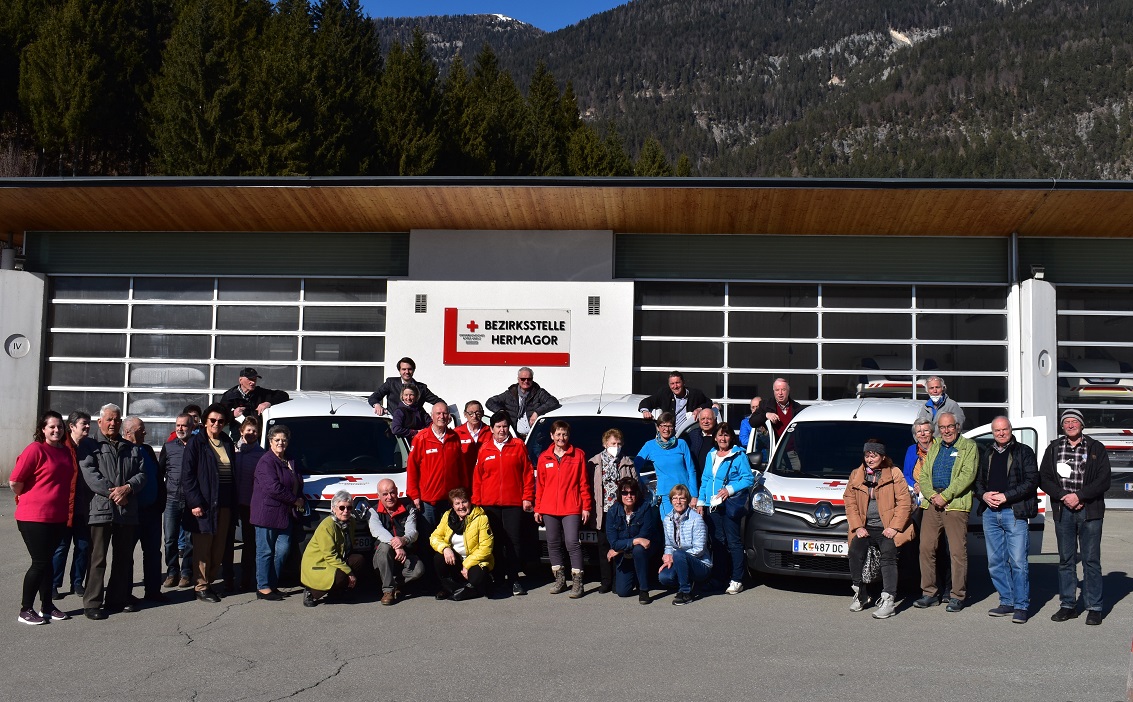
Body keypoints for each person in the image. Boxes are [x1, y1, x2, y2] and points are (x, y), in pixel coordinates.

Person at [1040, 408, 1112, 625]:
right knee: (1066, 561)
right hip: (1064, 512)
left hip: (1090, 511)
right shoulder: (1053, 448)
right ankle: (1068, 605)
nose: (1070, 425)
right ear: (1062, 426)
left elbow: (1104, 479)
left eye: (1074, 421)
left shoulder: (1096, 448)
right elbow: (1044, 478)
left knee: (1091, 561)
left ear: (1081, 425)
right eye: (1066, 422)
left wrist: (1080, 496)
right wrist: (1064, 496)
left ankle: (1094, 607)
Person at [79, 403, 146, 620]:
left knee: (123, 557)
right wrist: (114, 492)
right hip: (101, 509)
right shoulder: (89, 445)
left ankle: (116, 599)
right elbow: (89, 474)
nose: (113, 423)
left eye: (116, 420)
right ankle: (92, 603)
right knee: (97, 558)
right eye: (109, 419)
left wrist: (128, 488)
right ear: (100, 422)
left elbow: (142, 474)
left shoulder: (132, 447)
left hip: (126, 511)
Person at [10, 411, 77, 625]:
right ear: (43, 429)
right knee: (40, 562)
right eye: (52, 427)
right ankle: (25, 609)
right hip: (33, 517)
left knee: (48, 563)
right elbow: (15, 481)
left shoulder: (65, 452)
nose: (57, 430)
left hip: (57, 517)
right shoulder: (36, 450)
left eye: (59, 427)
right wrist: (28, 496)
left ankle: (47, 606)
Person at [974, 417, 1039, 624]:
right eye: (997, 430)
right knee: (995, 562)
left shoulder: (1024, 451)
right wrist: (983, 495)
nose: (1001, 433)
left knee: (1018, 562)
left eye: (1004, 429)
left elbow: (1031, 482)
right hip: (990, 514)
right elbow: (978, 482)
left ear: (1011, 429)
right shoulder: (988, 452)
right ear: (992, 432)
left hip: (1014, 512)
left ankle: (1021, 606)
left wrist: (1006, 496)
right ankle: (1006, 601)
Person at [843, 440, 915, 619]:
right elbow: (849, 502)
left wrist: (894, 527)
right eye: (867, 455)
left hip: (887, 527)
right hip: (865, 527)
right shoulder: (856, 475)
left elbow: (905, 503)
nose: (870, 459)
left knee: (888, 556)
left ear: (882, 457)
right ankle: (861, 593)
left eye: (874, 455)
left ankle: (888, 600)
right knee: (854, 553)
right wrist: (858, 526)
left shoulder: (894, 473)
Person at [914, 412, 977, 612]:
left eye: (950, 427)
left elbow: (967, 475)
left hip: (955, 504)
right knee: (926, 548)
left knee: (957, 552)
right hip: (932, 503)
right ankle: (929, 593)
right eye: (942, 428)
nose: (946, 431)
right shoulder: (935, 447)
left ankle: (957, 595)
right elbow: (924, 475)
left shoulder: (969, 447)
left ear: (957, 426)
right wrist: (932, 496)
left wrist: (946, 496)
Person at [472, 412, 535, 596]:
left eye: (505, 426)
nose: (502, 430)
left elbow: (527, 473)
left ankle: (514, 578)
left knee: (514, 541)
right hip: (490, 503)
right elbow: (478, 478)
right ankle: (499, 578)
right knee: (496, 541)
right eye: (498, 426)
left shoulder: (518, 446)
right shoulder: (484, 449)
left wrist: (527, 497)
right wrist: (476, 502)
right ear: (491, 429)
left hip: (513, 503)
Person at [182, 403, 237, 603]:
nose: (216, 424)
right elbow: (187, 476)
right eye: (213, 420)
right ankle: (201, 586)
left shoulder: (227, 442)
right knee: (203, 548)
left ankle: (210, 582)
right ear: (205, 421)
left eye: (221, 421)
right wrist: (195, 502)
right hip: (204, 504)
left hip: (224, 503)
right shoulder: (197, 443)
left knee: (218, 546)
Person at [534, 420, 593, 598]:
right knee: (552, 543)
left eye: (565, 434)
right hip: (549, 507)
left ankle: (577, 582)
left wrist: (586, 507)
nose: (561, 437)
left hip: (571, 507)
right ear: (552, 436)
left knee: (572, 543)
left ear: (569, 436)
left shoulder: (578, 455)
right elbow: (540, 485)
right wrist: (538, 508)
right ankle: (560, 579)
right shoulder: (544, 457)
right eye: (558, 434)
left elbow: (584, 483)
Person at [697, 423, 754, 595]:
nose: (723, 438)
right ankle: (719, 578)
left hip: (729, 506)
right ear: (715, 437)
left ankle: (737, 579)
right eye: (720, 435)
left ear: (731, 437)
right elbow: (706, 479)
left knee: (733, 542)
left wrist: (729, 490)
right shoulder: (711, 455)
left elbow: (748, 479)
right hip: (712, 506)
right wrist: (701, 502)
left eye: (726, 435)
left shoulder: (738, 455)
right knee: (718, 543)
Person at [250, 424, 304, 600]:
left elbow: (297, 481)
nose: (281, 443)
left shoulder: (290, 460)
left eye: (284, 440)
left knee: (282, 550)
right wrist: (295, 500)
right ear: (270, 441)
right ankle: (263, 587)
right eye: (277, 440)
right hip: (266, 513)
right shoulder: (266, 462)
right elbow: (273, 488)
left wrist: (300, 497)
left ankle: (273, 584)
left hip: (285, 514)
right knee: (265, 551)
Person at [121, 416, 168, 603]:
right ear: (128, 432)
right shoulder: (122, 451)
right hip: (132, 514)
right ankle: (125, 594)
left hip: (152, 512)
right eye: (141, 429)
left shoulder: (147, 450)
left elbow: (157, 476)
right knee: (126, 556)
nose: (145, 432)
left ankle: (153, 591)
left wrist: (160, 503)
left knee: (153, 553)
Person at [589, 428, 641, 594]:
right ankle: (606, 581)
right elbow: (589, 487)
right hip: (602, 511)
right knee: (603, 545)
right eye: (613, 443)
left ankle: (619, 580)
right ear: (605, 444)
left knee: (619, 545)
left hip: (621, 510)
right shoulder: (594, 463)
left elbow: (637, 486)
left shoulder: (627, 462)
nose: (616, 446)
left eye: (619, 444)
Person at [301, 491, 371, 607]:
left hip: (337, 558)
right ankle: (311, 592)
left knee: (358, 559)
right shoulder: (327, 526)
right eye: (342, 507)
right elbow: (329, 555)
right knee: (342, 574)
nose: (346, 511)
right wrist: (350, 573)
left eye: (349, 508)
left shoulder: (351, 522)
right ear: (333, 509)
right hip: (319, 563)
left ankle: (339, 592)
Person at [52, 410, 93, 601]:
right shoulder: (61, 447)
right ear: (72, 426)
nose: (87, 427)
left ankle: (77, 582)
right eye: (84, 423)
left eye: (88, 423)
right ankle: (53, 584)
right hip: (63, 508)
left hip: (83, 507)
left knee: (83, 547)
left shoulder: (88, 447)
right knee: (61, 548)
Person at [405, 402, 465, 529]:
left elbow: (461, 467)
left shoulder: (454, 437)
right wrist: (414, 495)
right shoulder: (421, 438)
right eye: (438, 413)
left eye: (444, 413)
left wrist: (462, 491)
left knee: (450, 537)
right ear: (432, 416)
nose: (441, 416)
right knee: (428, 539)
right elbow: (412, 468)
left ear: (449, 416)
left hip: (450, 499)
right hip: (428, 501)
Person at [429, 488, 495, 601]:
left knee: (476, 578)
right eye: (457, 503)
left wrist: (467, 564)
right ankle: (450, 588)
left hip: (476, 560)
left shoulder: (481, 518)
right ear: (453, 506)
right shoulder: (447, 516)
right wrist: (445, 548)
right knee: (438, 558)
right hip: (456, 559)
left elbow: (486, 547)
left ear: (470, 502)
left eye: (464, 502)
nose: (461, 506)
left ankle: (476, 587)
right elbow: (434, 537)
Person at [605, 476, 660, 604]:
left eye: (632, 492)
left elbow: (645, 537)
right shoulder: (613, 512)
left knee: (639, 550)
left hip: (642, 552)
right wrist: (634, 541)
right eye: (625, 492)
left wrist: (619, 549)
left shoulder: (645, 508)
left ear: (637, 494)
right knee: (623, 592)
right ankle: (636, 575)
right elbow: (613, 543)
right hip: (624, 555)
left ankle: (644, 590)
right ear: (620, 494)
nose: (629, 496)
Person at [368, 478, 424, 605]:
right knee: (384, 547)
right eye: (385, 494)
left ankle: (393, 583)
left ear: (397, 492)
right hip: (383, 556)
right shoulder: (373, 511)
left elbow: (412, 532)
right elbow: (377, 530)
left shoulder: (409, 508)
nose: (389, 497)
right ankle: (388, 590)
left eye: (392, 492)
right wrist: (397, 546)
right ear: (378, 496)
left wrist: (403, 540)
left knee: (419, 570)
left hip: (405, 554)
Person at [635, 412, 697, 517]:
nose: (666, 429)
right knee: (669, 528)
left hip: (683, 494)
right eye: (663, 426)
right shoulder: (650, 445)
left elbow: (691, 470)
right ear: (658, 427)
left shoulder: (681, 444)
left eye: (669, 426)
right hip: (665, 495)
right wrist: (643, 486)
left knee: (685, 528)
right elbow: (634, 467)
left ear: (673, 428)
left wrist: (694, 495)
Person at [657, 484, 711, 605]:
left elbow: (700, 549)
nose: (678, 501)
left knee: (679, 554)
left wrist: (677, 557)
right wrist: (668, 557)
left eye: (682, 498)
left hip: (701, 564)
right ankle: (686, 580)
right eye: (675, 498)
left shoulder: (696, 519)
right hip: (679, 559)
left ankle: (685, 592)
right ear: (671, 501)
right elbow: (668, 545)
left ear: (687, 500)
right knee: (664, 577)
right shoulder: (667, 519)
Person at [159, 413, 194, 589]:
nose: (180, 429)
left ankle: (187, 572)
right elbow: (160, 472)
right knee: (170, 539)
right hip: (171, 499)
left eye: (184, 426)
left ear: (192, 427)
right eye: (178, 425)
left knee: (190, 539)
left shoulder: (199, 446)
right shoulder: (169, 446)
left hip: (190, 500)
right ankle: (172, 572)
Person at [230, 416, 264, 593]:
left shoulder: (262, 455)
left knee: (249, 543)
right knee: (227, 540)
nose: (251, 433)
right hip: (231, 502)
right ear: (241, 431)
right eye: (248, 430)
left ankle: (246, 578)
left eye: (255, 430)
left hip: (251, 504)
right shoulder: (232, 451)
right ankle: (228, 578)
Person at [486, 367, 560, 438]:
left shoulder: (539, 392)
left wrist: (537, 412)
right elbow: (490, 402)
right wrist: (502, 411)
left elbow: (553, 402)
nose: (526, 381)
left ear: (532, 379)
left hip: (534, 437)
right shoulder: (510, 394)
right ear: (518, 379)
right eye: (523, 379)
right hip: (515, 436)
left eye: (529, 379)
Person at [220, 367, 289, 431]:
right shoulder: (230, 396)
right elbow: (220, 416)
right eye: (250, 379)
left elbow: (283, 395)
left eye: (255, 379)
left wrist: (268, 403)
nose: (253, 382)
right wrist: (233, 414)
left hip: (258, 435)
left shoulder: (260, 392)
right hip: (239, 436)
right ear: (240, 380)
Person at [367, 357, 441, 415]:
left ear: (414, 370)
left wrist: (442, 413)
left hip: (414, 428)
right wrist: (377, 405)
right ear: (399, 370)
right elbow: (373, 397)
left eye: (409, 369)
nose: (407, 372)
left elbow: (438, 402)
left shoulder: (422, 388)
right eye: (404, 369)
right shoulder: (391, 383)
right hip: (394, 426)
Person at [638, 370, 712, 422]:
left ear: (683, 383)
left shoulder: (694, 394)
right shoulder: (664, 394)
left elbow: (708, 402)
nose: (675, 386)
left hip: (688, 431)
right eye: (672, 384)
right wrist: (645, 411)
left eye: (677, 383)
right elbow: (647, 401)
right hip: (668, 431)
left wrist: (699, 409)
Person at [684, 407, 719, 485]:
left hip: (715, 482)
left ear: (715, 420)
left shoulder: (721, 437)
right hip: (696, 481)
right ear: (699, 421)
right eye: (703, 419)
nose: (705, 422)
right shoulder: (692, 436)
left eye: (709, 419)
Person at [454, 400, 490, 474]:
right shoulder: (457, 433)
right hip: (464, 476)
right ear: (465, 414)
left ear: (482, 413)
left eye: (477, 413)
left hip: (485, 475)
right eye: (471, 413)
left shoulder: (490, 432)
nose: (474, 416)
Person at [902, 418, 934, 494]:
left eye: (926, 431)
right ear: (915, 435)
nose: (922, 434)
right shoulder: (912, 450)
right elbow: (906, 474)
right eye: (919, 432)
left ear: (932, 432)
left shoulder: (940, 448)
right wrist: (915, 485)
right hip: (917, 493)